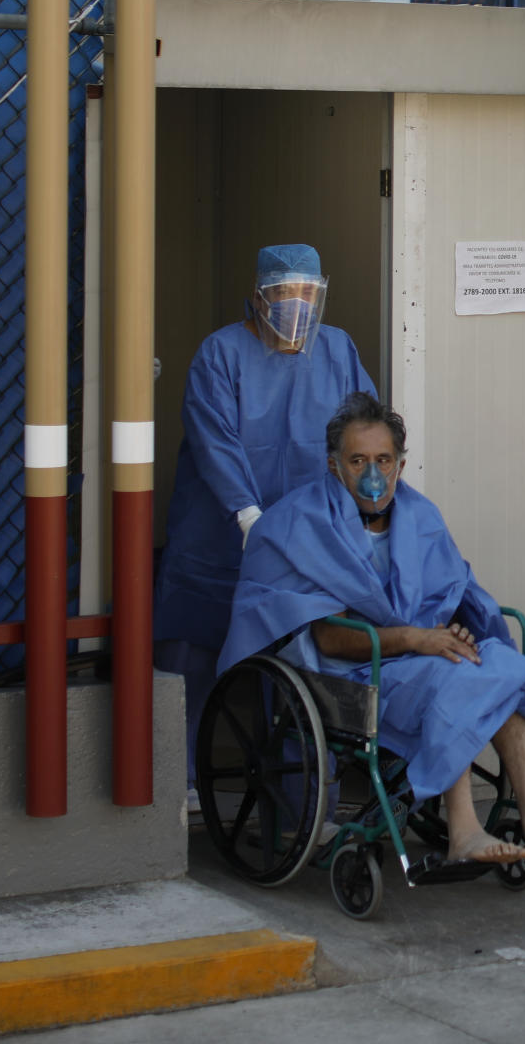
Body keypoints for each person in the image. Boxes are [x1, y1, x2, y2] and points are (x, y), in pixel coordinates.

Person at [219, 392, 525, 866]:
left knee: (503, 669)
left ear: (401, 464)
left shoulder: (421, 518)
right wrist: (419, 640)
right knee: (460, 679)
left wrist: (452, 634)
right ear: (334, 466)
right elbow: (329, 639)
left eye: (383, 459)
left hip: (417, 660)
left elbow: (451, 598)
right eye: (358, 460)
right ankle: (463, 830)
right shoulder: (301, 525)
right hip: (350, 673)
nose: (373, 474)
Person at [154, 245, 376, 792]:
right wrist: (248, 513)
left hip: (302, 545)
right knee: (196, 652)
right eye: (283, 295)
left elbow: (365, 432)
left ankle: (297, 797)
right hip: (218, 537)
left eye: (307, 294)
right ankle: (180, 789)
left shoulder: (337, 350)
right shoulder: (220, 354)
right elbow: (215, 441)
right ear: (258, 298)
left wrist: (367, 501)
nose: (296, 306)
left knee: (299, 659)